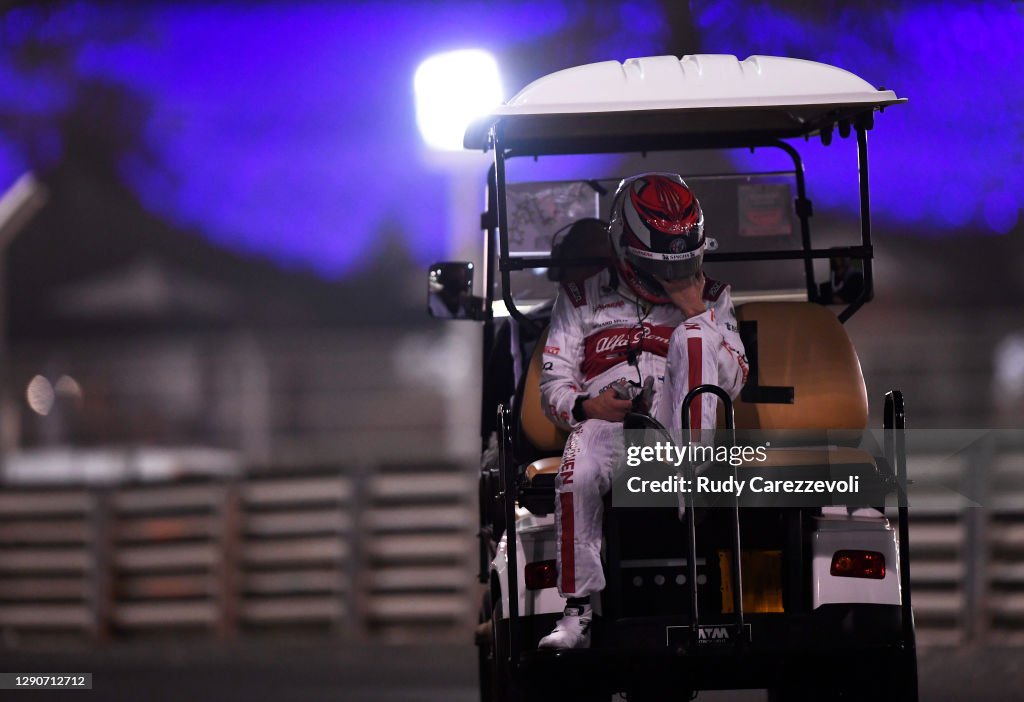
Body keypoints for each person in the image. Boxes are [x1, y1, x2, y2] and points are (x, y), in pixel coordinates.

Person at [537, 173, 749, 649]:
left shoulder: (713, 297)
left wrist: (697, 313)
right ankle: (576, 613)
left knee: (694, 337)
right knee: (576, 467)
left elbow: (734, 382)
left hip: (685, 436)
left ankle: (695, 485)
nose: (674, 276)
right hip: (610, 427)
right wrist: (587, 404)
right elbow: (553, 384)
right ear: (625, 249)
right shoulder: (578, 297)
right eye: (662, 266)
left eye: (684, 264)